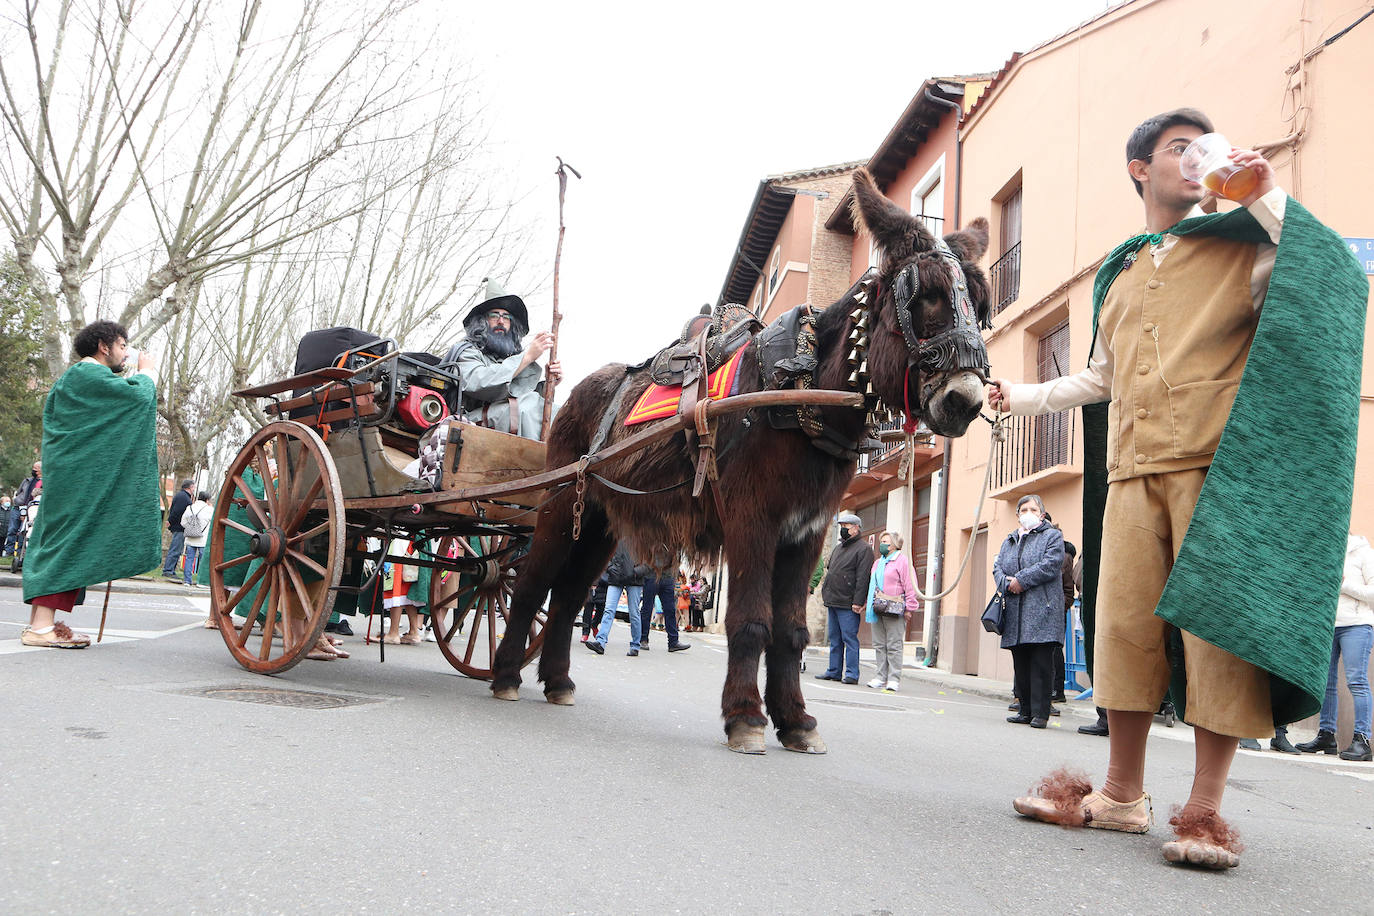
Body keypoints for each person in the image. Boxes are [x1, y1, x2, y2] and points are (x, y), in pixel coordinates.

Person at [990, 108, 1366, 870]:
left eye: (1203, 147)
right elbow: (1099, 377)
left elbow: (1326, 270)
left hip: (1216, 471)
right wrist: (1015, 398)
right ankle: (1122, 795)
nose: (1195, 159)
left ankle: (1204, 811)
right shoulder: (1118, 270)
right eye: (1177, 148)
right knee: (1120, 626)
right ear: (1140, 169)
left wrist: (1262, 192)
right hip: (1130, 470)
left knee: (1216, 636)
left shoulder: (1248, 244)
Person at [20, 321, 161, 648]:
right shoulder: (88, 375)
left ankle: (42, 624)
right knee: (66, 541)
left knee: (61, 539)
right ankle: (40, 628)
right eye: (122, 346)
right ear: (104, 345)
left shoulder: (77, 378)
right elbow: (136, 398)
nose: (126, 353)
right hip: (78, 477)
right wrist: (148, 372)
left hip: (69, 473)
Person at [442, 278, 561, 439]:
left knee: (557, 411)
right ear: (482, 321)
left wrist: (549, 383)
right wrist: (526, 358)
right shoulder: (466, 351)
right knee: (526, 407)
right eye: (494, 315)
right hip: (466, 423)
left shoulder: (506, 359)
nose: (501, 321)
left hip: (501, 416)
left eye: (507, 317)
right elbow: (479, 382)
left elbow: (520, 393)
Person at [1296, 533, 1374, 762]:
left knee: (1356, 680)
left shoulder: (1363, 551)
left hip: (1356, 625)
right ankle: (1326, 735)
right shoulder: (1325, 548)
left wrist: (1343, 584)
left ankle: (1363, 740)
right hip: (1327, 625)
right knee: (1326, 683)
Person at [993, 496, 1065, 728]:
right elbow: (998, 567)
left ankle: (1040, 713)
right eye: (1024, 509)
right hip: (1015, 610)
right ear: (1017, 515)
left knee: (1041, 664)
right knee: (1021, 663)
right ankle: (1024, 710)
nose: (1028, 512)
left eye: (1033, 509)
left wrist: (1021, 580)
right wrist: (1006, 582)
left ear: (1042, 514)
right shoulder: (1010, 540)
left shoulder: (1052, 536)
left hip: (1042, 610)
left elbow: (1051, 564)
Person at [814, 512, 873, 685]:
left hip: (848, 602)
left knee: (849, 638)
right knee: (834, 638)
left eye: (846, 527)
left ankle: (852, 674)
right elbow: (830, 570)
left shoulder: (864, 549)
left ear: (856, 528)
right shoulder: (839, 548)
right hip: (833, 598)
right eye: (841, 527)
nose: (843, 530)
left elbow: (863, 578)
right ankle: (834, 671)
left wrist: (858, 601)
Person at [864, 531, 920, 693]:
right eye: (881, 541)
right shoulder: (877, 563)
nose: (882, 544)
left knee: (894, 644)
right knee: (879, 644)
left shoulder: (902, 561)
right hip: (878, 607)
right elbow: (872, 585)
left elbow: (909, 584)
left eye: (886, 542)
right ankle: (880, 676)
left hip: (894, 608)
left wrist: (910, 607)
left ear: (895, 545)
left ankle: (894, 678)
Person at [585, 542, 644, 656]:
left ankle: (635, 645)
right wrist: (611, 567)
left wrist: (637, 572)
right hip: (617, 575)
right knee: (609, 609)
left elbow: (650, 559)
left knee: (634, 613)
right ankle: (600, 642)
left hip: (634, 578)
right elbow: (606, 551)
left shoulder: (643, 535)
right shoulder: (617, 533)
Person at [639, 565, 692, 653]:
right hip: (652, 576)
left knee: (670, 610)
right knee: (647, 609)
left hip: (668, 578)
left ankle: (673, 642)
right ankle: (643, 639)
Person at [161, 478, 194, 581]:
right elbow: (177, 511)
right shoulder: (184, 497)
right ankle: (168, 570)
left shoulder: (181, 496)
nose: (194, 489)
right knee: (175, 549)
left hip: (179, 526)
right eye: (193, 486)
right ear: (189, 487)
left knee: (176, 549)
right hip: (179, 527)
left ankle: (171, 570)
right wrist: (170, 520)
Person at [6, 462, 41, 556]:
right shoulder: (27, 480)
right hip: (18, 507)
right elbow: (18, 492)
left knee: (23, 531)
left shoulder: (43, 482)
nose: (33, 469)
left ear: (41, 470)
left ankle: (20, 552)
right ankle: (9, 551)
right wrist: (18, 500)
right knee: (12, 529)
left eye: (35, 468)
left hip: (31, 508)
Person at [181, 490, 212, 587]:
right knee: (203, 561)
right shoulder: (209, 509)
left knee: (189, 559)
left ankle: (187, 581)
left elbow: (183, 522)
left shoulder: (190, 507)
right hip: (203, 539)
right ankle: (201, 581)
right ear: (207, 500)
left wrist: (191, 529)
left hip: (190, 538)